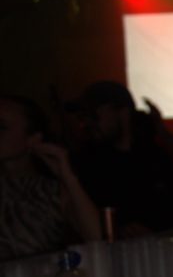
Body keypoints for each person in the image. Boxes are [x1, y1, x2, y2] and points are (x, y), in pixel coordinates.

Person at [66, 80, 173, 236]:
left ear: (122, 111)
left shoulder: (155, 159)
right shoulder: (87, 165)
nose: (87, 122)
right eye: (83, 116)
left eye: (94, 114)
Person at [0, 95, 101, 261]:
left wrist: (68, 177)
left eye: (2, 127)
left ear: (33, 139)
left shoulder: (49, 191)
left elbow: (98, 239)